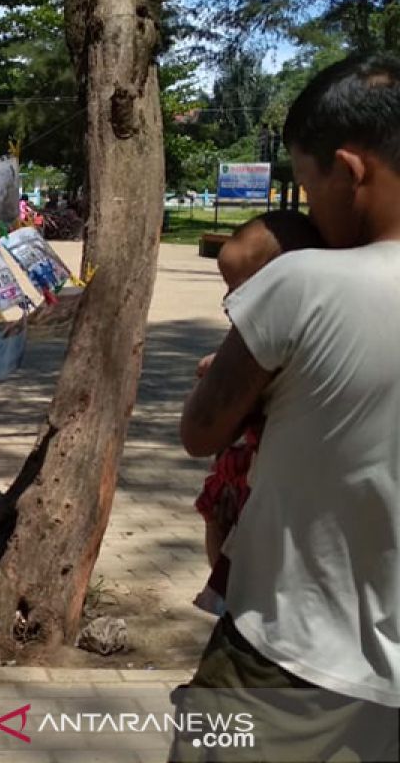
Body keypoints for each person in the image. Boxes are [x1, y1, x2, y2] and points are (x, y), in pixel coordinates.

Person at [176, 54, 400, 761]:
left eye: (307, 188)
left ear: (350, 170)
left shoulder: (303, 283)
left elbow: (199, 430)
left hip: (290, 660)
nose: (308, 210)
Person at [190, 211, 323, 614]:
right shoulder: (257, 328)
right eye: (228, 290)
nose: (230, 303)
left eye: (241, 289)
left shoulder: (299, 329)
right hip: (240, 466)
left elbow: (200, 429)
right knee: (218, 514)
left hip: (268, 476)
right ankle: (226, 590)